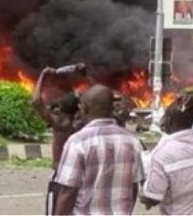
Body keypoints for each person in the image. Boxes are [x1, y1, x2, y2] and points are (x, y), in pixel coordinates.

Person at [53, 85, 144, 215]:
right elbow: (133, 188)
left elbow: (68, 193)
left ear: (84, 108)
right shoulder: (132, 141)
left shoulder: (78, 142)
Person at [141, 93, 193, 215]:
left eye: (164, 116)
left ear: (169, 121)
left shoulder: (161, 155)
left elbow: (152, 198)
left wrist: (144, 176)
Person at [33, 65, 85, 215]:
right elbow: (97, 99)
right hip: (80, 175)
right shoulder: (83, 124)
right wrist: (83, 74)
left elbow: (36, 101)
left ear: (61, 109)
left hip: (60, 173)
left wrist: (43, 75)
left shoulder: (59, 123)